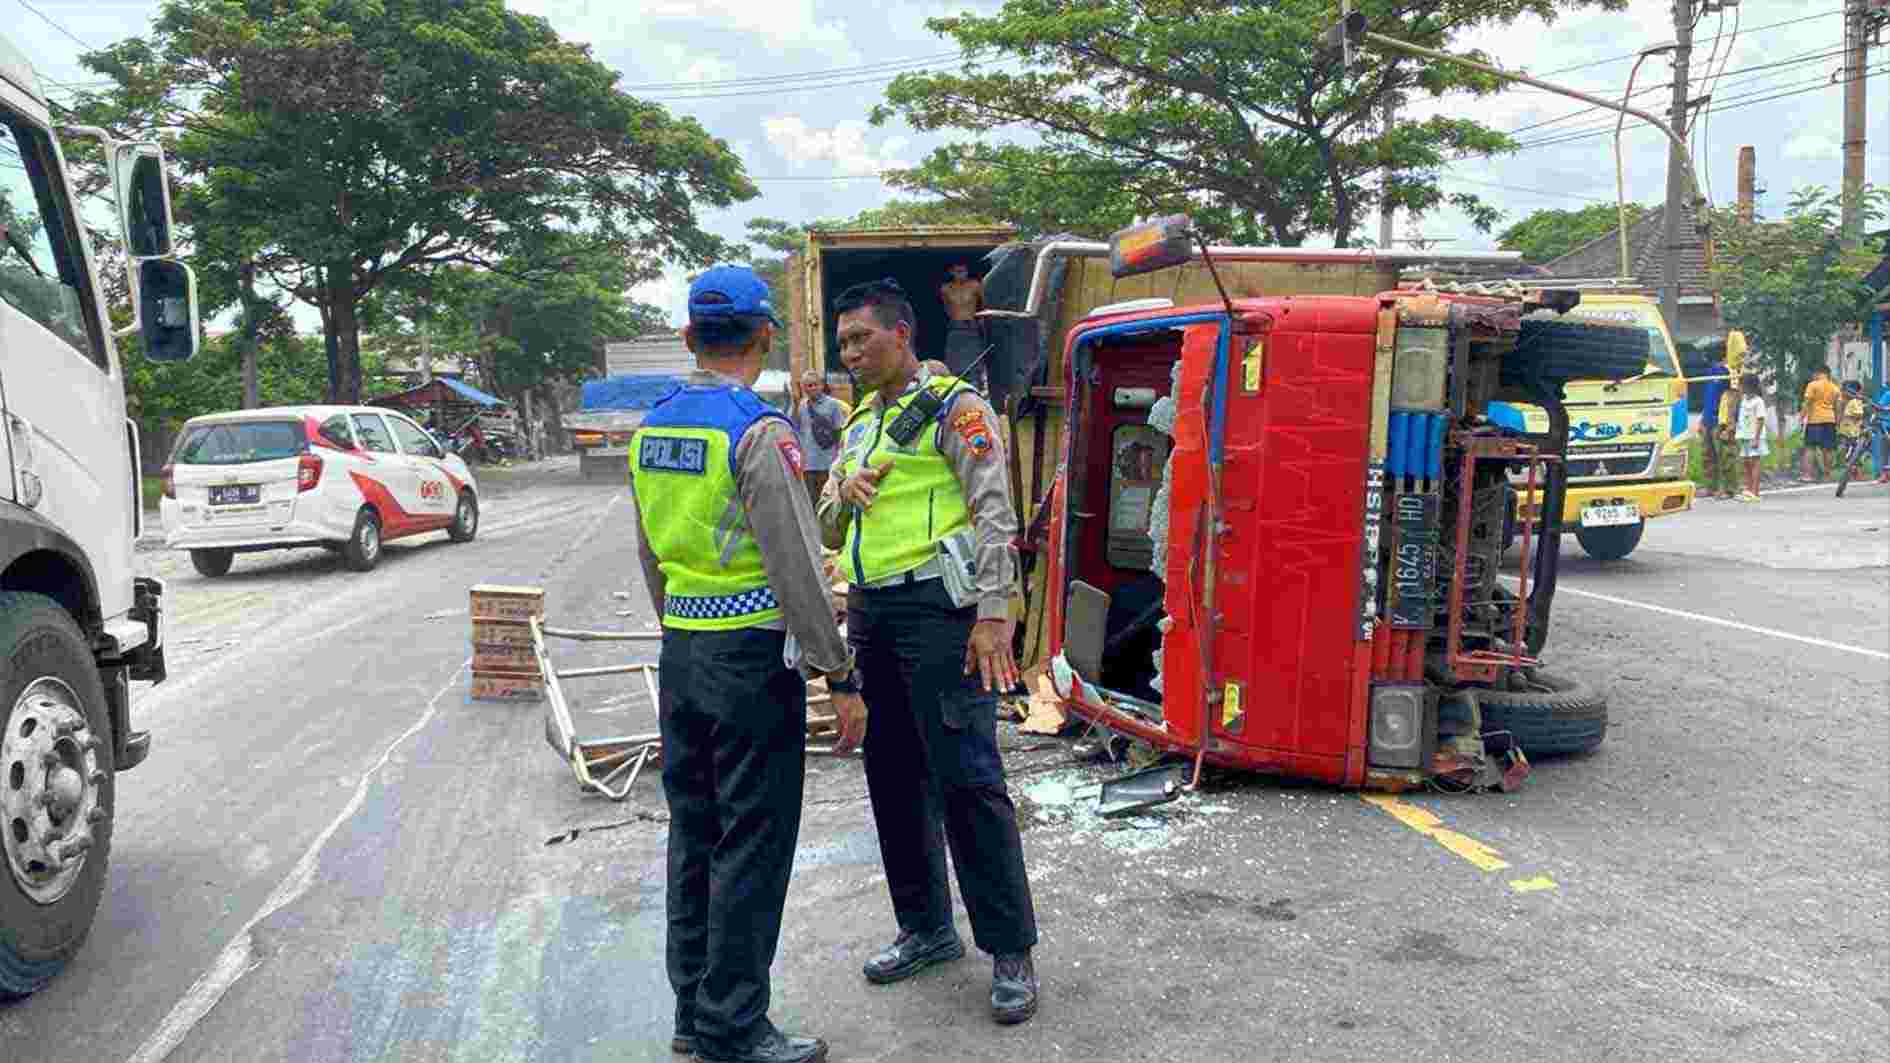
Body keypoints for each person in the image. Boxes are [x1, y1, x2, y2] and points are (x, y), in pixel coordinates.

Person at [628, 265, 866, 1063]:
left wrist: (682, 631)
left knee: (694, 831)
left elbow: (651, 555)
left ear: (688, 337)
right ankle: (733, 1021)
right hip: (749, 661)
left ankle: (693, 1011)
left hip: (683, 653)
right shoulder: (758, 432)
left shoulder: (651, 430)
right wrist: (839, 672)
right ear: (765, 336)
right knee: (752, 841)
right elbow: (797, 566)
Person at [816, 277, 1042, 1025]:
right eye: (843, 343)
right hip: (872, 614)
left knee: (968, 780)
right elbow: (826, 521)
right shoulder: (857, 424)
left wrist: (995, 613)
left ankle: (1009, 949)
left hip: (942, 616)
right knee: (891, 777)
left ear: (902, 334)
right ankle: (926, 928)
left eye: (862, 338)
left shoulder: (955, 408)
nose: (851, 353)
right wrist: (843, 493)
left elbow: (994, 512)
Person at [793, 370, 851, 503]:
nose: (812, 388)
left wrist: (840, 458)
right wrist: (795, 403)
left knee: (827, 501)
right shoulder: (801, 406)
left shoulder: (833, 404)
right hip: (808, 464)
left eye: (815, 384)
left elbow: (840, 431)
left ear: (822, 385)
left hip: (827, 462)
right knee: (810, 501)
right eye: (809, 385)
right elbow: (796, 427)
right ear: (803, 388)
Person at [940, 263, 987, 390]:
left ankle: (977, 388)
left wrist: (981, 320)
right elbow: (947, 308)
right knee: (954, 363)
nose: (961, 274)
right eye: (958, 271)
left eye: (963, 271)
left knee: (974, 363)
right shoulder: (946, 288)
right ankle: (955, 389)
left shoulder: (975, 285)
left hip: (971, 327)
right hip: (955, 327)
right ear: (952, 272)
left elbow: (984, 305)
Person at [1698, 351, 1734, 499]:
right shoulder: (1710, 372)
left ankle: (1728, 488)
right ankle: (1710, 487)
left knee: (1724, 456)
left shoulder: (1727, 373)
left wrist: (1729, 424)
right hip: (1708, 419)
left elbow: (1732, 399)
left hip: (1720, 420)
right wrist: (1702, 419)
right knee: (1708, 455)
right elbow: (1708, 398)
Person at [1799, 365, 1840, 482]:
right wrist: (1837, 420)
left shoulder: (1813, 385)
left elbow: (1806, 402)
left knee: (1810, 448)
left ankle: (1807, 475)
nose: (1813, 376)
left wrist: (1801, 417)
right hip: (1830, 420)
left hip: (1815, 420)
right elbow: (1837, 407)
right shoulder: (1835, 388)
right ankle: (1827, 475)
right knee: (1828, 448)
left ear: (1818, 373)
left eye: (1814, 374)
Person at [1735, 372, 1770, 502]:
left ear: (1748, 386)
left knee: (1755, 463)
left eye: (1741, 385)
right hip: (1744, 435)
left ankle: (1755, 492)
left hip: (1755, 436)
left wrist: (1756, 438)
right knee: (1746, 463)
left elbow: (1760, 420)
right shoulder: (1744, 399)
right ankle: (1748, 489)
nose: (1739, 387)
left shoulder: (1758, 401)